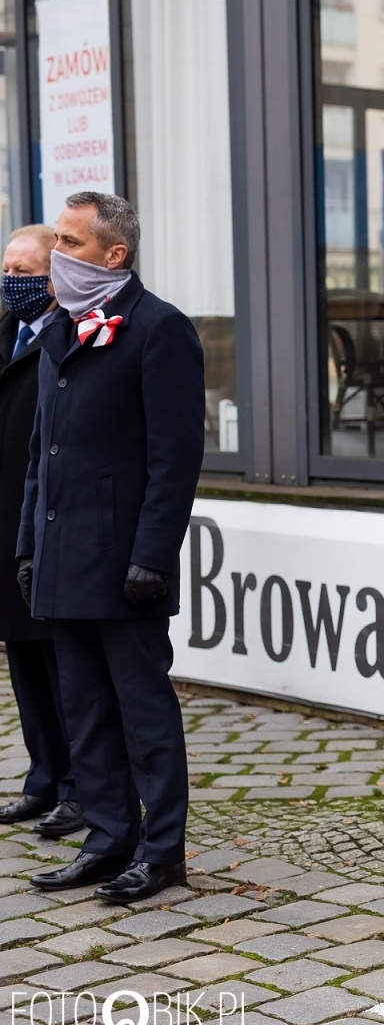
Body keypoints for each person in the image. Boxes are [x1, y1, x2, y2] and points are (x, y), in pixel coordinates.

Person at [20, 193, 205, 904]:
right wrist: (27, 543)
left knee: (142, 711)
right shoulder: (61, 330)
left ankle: (160, 852)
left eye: (70, 243)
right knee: (85, 710)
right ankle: (105, 837)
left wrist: (152, 557)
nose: (57, 257)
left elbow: (174, 459)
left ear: (113, 255)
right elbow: (43, 454)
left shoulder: (160, 330)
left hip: (126, 564)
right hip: (62, 557)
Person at [0, 225, 79, 838]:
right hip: (5, 527)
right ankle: (42, 777)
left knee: (63, 666)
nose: (11, 282)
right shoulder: (6, 333)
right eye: (5, 269)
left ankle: (80, 786)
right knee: (23, 661)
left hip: (44, 528)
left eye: (23, 271)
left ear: (51, 281)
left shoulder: (66, 336)